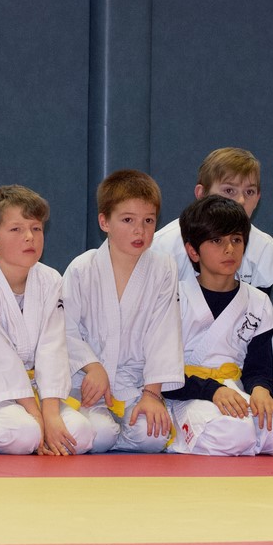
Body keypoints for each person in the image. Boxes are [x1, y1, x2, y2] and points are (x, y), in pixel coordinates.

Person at [166, 195, 273, 457]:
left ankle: (249, 440)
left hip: (234, 391)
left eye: (236, 239)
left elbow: (259, 368)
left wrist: (261, 391)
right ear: (193, 251)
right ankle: (184, 433)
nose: (229, 249)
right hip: (186, 394)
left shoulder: (258, 302)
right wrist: (212, 390)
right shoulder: (174, 297)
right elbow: (161, 372)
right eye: (217, 241)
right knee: (233, 434)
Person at [0, 185, 94, 456]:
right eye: (16, 229)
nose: (30, 237)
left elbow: (52, 347)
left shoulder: (50, 279)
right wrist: (37, 417)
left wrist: (50, 413)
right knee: (24, 434)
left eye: (36, 228)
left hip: (36, 388)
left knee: (81, 434)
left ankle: (39, 428)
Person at [62, 170, 182, 453]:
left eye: (148, 221)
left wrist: (152, 393)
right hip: (88, 383)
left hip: (135, 385)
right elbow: (65, 329)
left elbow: (164, 332)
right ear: (104, 221)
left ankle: (120, 431)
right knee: (99, 435)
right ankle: (107, 431)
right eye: (128, 220)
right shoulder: (82, 268)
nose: (140, 231)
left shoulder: (163, 268)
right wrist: (93, 366)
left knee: (153, 438)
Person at [150, 148, 273, 291]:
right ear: (201, 194)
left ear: (257, 198)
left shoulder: (263, 248)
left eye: (249, 192)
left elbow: (258, 304)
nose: (241, 200)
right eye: (229, 190)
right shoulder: (162, 247)